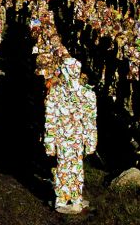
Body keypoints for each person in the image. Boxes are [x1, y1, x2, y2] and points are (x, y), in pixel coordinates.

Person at [44, 57, 97, 214]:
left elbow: (89, 120)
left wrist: (90, 141)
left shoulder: (86, 94)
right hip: (63, 138)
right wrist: (50, 142)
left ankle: (75, 199)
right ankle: (62, 199)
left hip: (76, 139)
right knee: (64, 167)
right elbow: (50, 119)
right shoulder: (56, 93)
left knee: (75, 168)